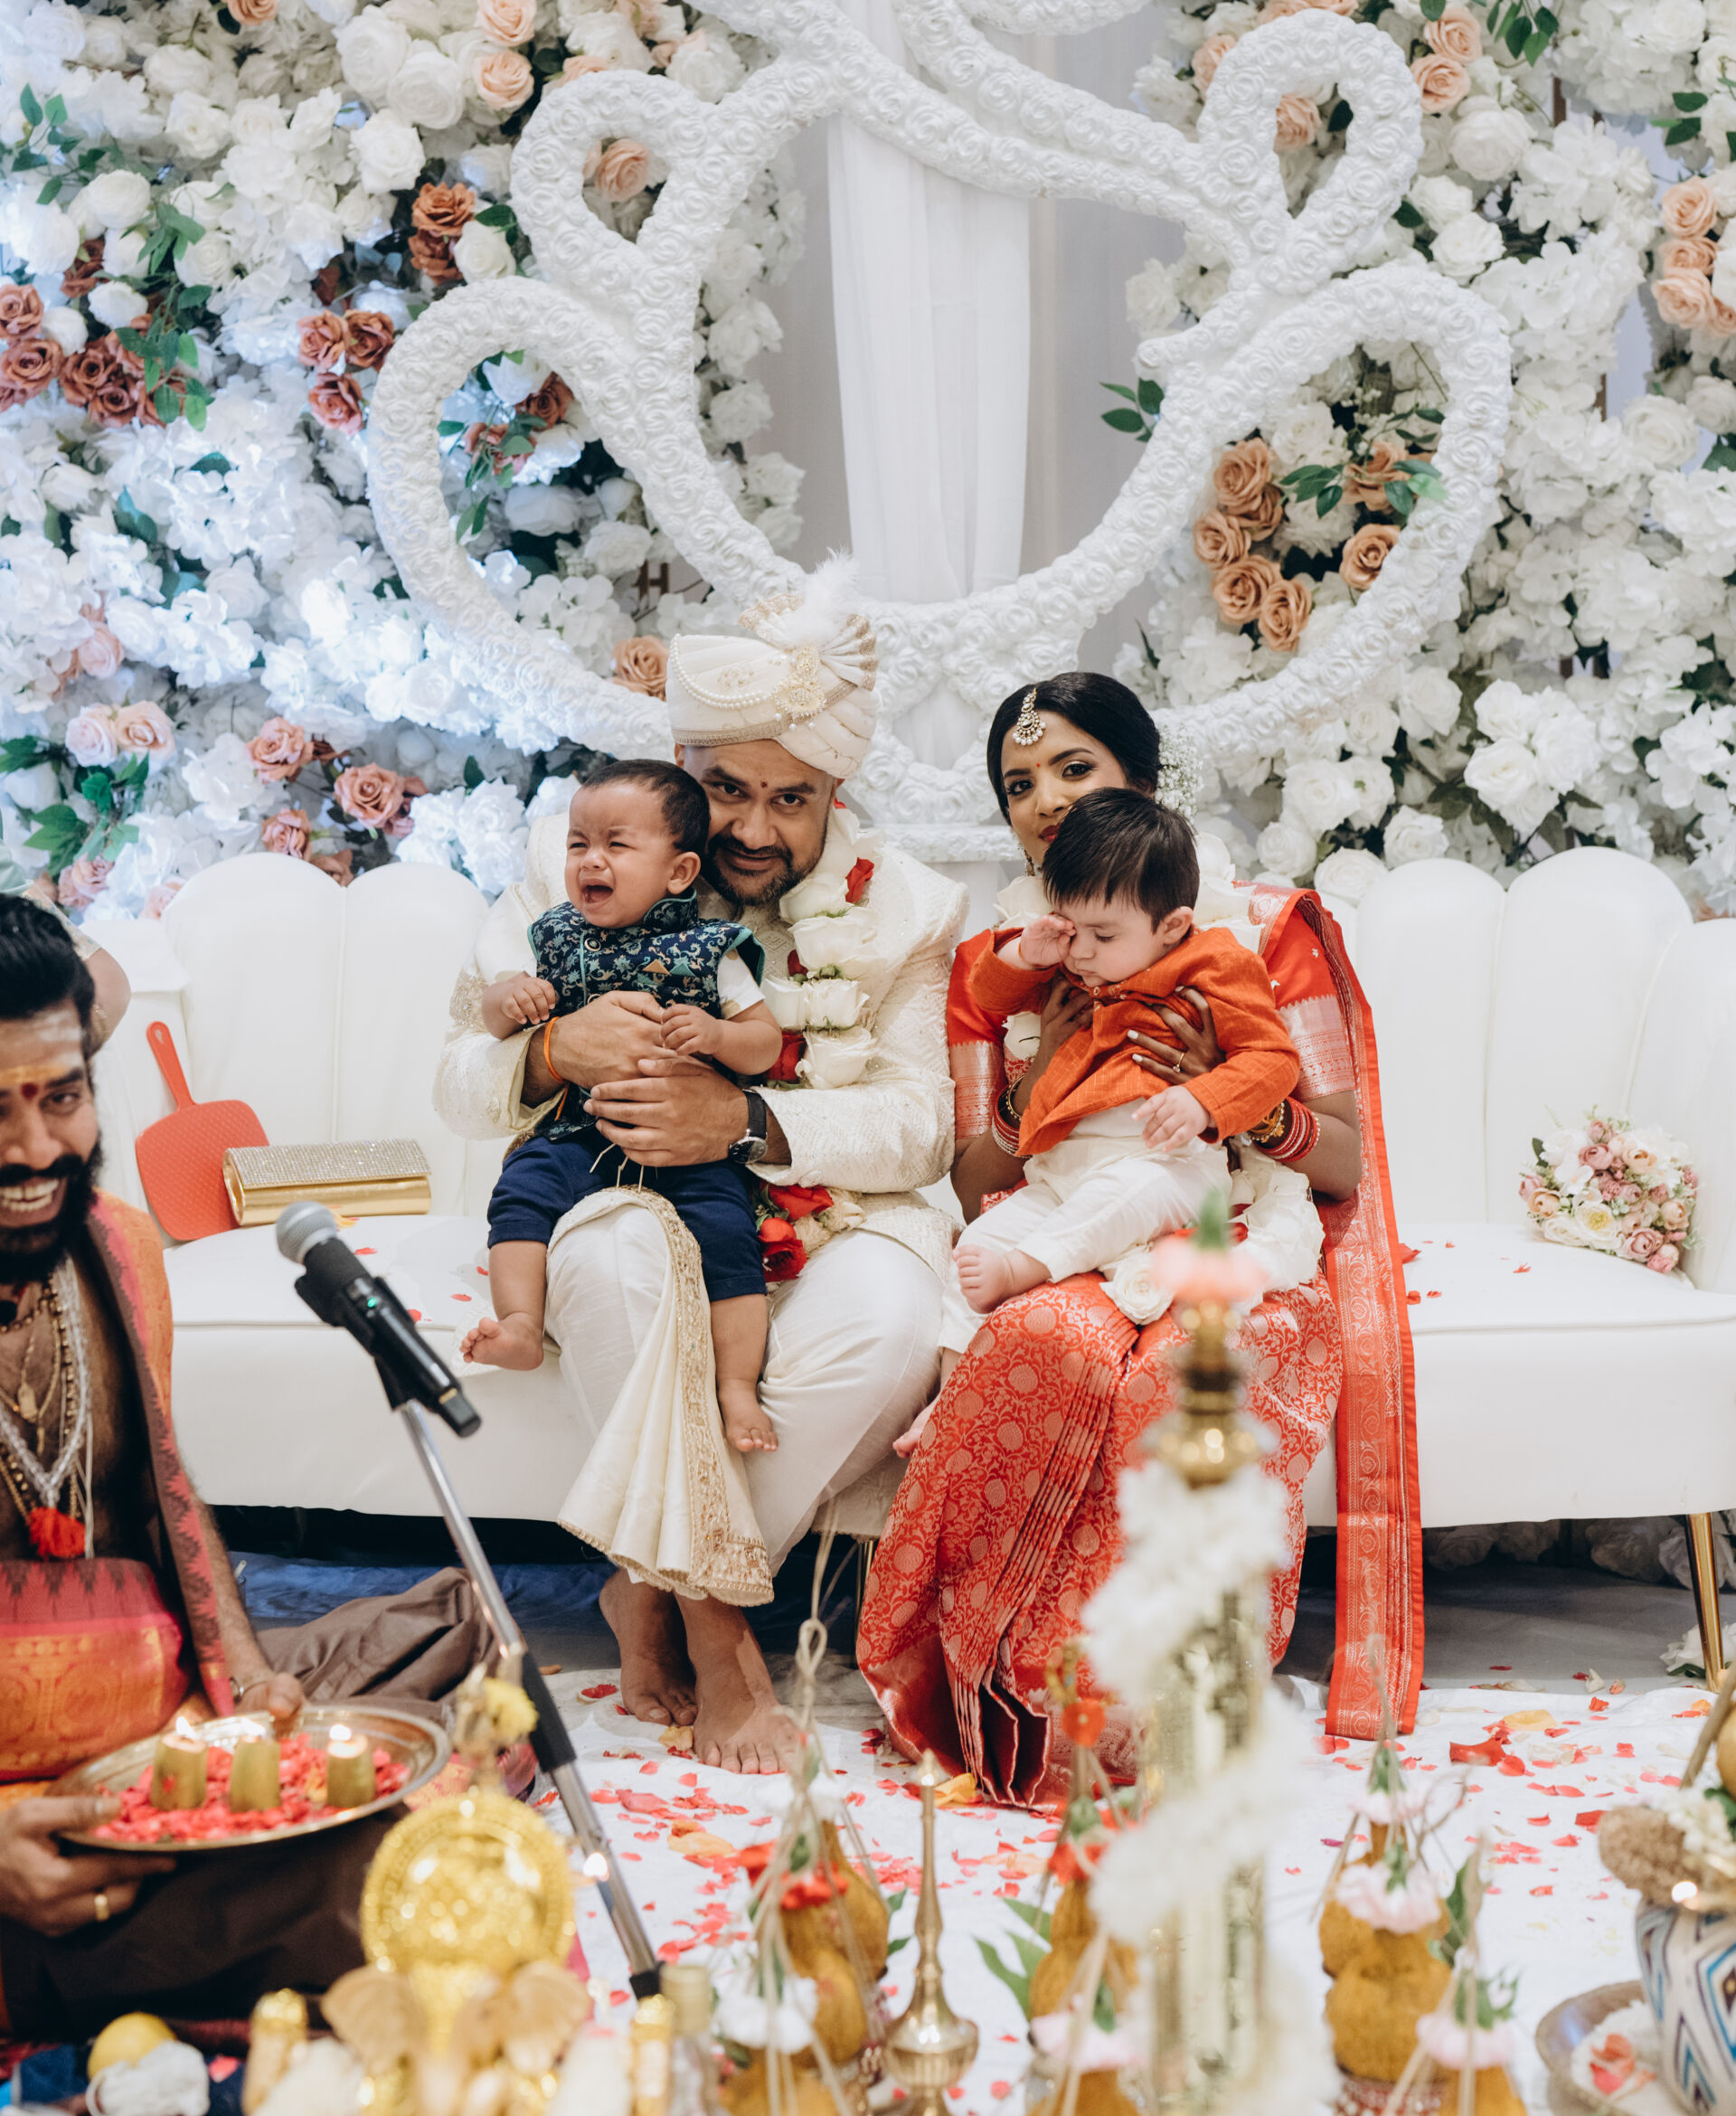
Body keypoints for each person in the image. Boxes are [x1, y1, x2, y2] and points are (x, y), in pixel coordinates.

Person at [857, 672, 1421, 1800]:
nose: (1045, 799)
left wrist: (1225, 1097)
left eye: (1074, 767)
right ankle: (996, 1695)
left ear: (1145, 780)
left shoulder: (1259, 933)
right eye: (1019, 783)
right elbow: (973, 1177)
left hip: (1229, 1226)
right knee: (1044, 1346)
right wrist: (1038, 1088)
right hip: (1069, 1224)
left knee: (1185, 1372)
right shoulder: (999, 964)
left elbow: (1342, 1158)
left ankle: (1161, 1711)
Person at [435, 573, 966, 1773]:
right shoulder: (575, 863)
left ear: (837, 796)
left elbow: (921, 1128)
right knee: (622, 1264)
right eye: (727, 789)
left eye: (792, 798)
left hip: (830, 1217)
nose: (755, 830)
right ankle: (721, 1639)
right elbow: (457, 1079)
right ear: (682, 769)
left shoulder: (908, 910)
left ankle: (646, 1590)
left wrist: (743, 1119)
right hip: (603, 1184)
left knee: (890, 1325)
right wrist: (551, 1051)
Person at [0, 894, 486, 2036]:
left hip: (155, 1746)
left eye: (60, 1098)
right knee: (415, 1887)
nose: (36, 1150)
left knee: (464, 1631)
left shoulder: (116, 1245)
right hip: (45, 1840)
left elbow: (164, 1496)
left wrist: (244, 1681)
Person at [463, 763, 784, 1456]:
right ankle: (520, 1324)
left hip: (690, 1145)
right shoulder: (556, 937)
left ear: (679, 871)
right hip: (582, 1130)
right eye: (578, 843)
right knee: (520, 1190)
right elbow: (491, 1020)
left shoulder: (711, 950)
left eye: (616, 844)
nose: (591, 860)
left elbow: (764, 1043)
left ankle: (737, 1387)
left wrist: (717, 1035)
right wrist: (509, 1001)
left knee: (729, 1237)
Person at [955, 790, 1302, 1315]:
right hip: (1063, 1169)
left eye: (1103, 934)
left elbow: (1274, 1059)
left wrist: (1204, 1100)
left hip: (1169, 1166)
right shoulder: (1071, 964)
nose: (1082, 950)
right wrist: (1026, 953)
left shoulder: (1217, 964)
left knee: (1126, 1193)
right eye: (1070, 926)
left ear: (1172, 926)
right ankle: (953, 1364)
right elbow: (989, 996)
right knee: (976, 1247)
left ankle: (1023, 1269)